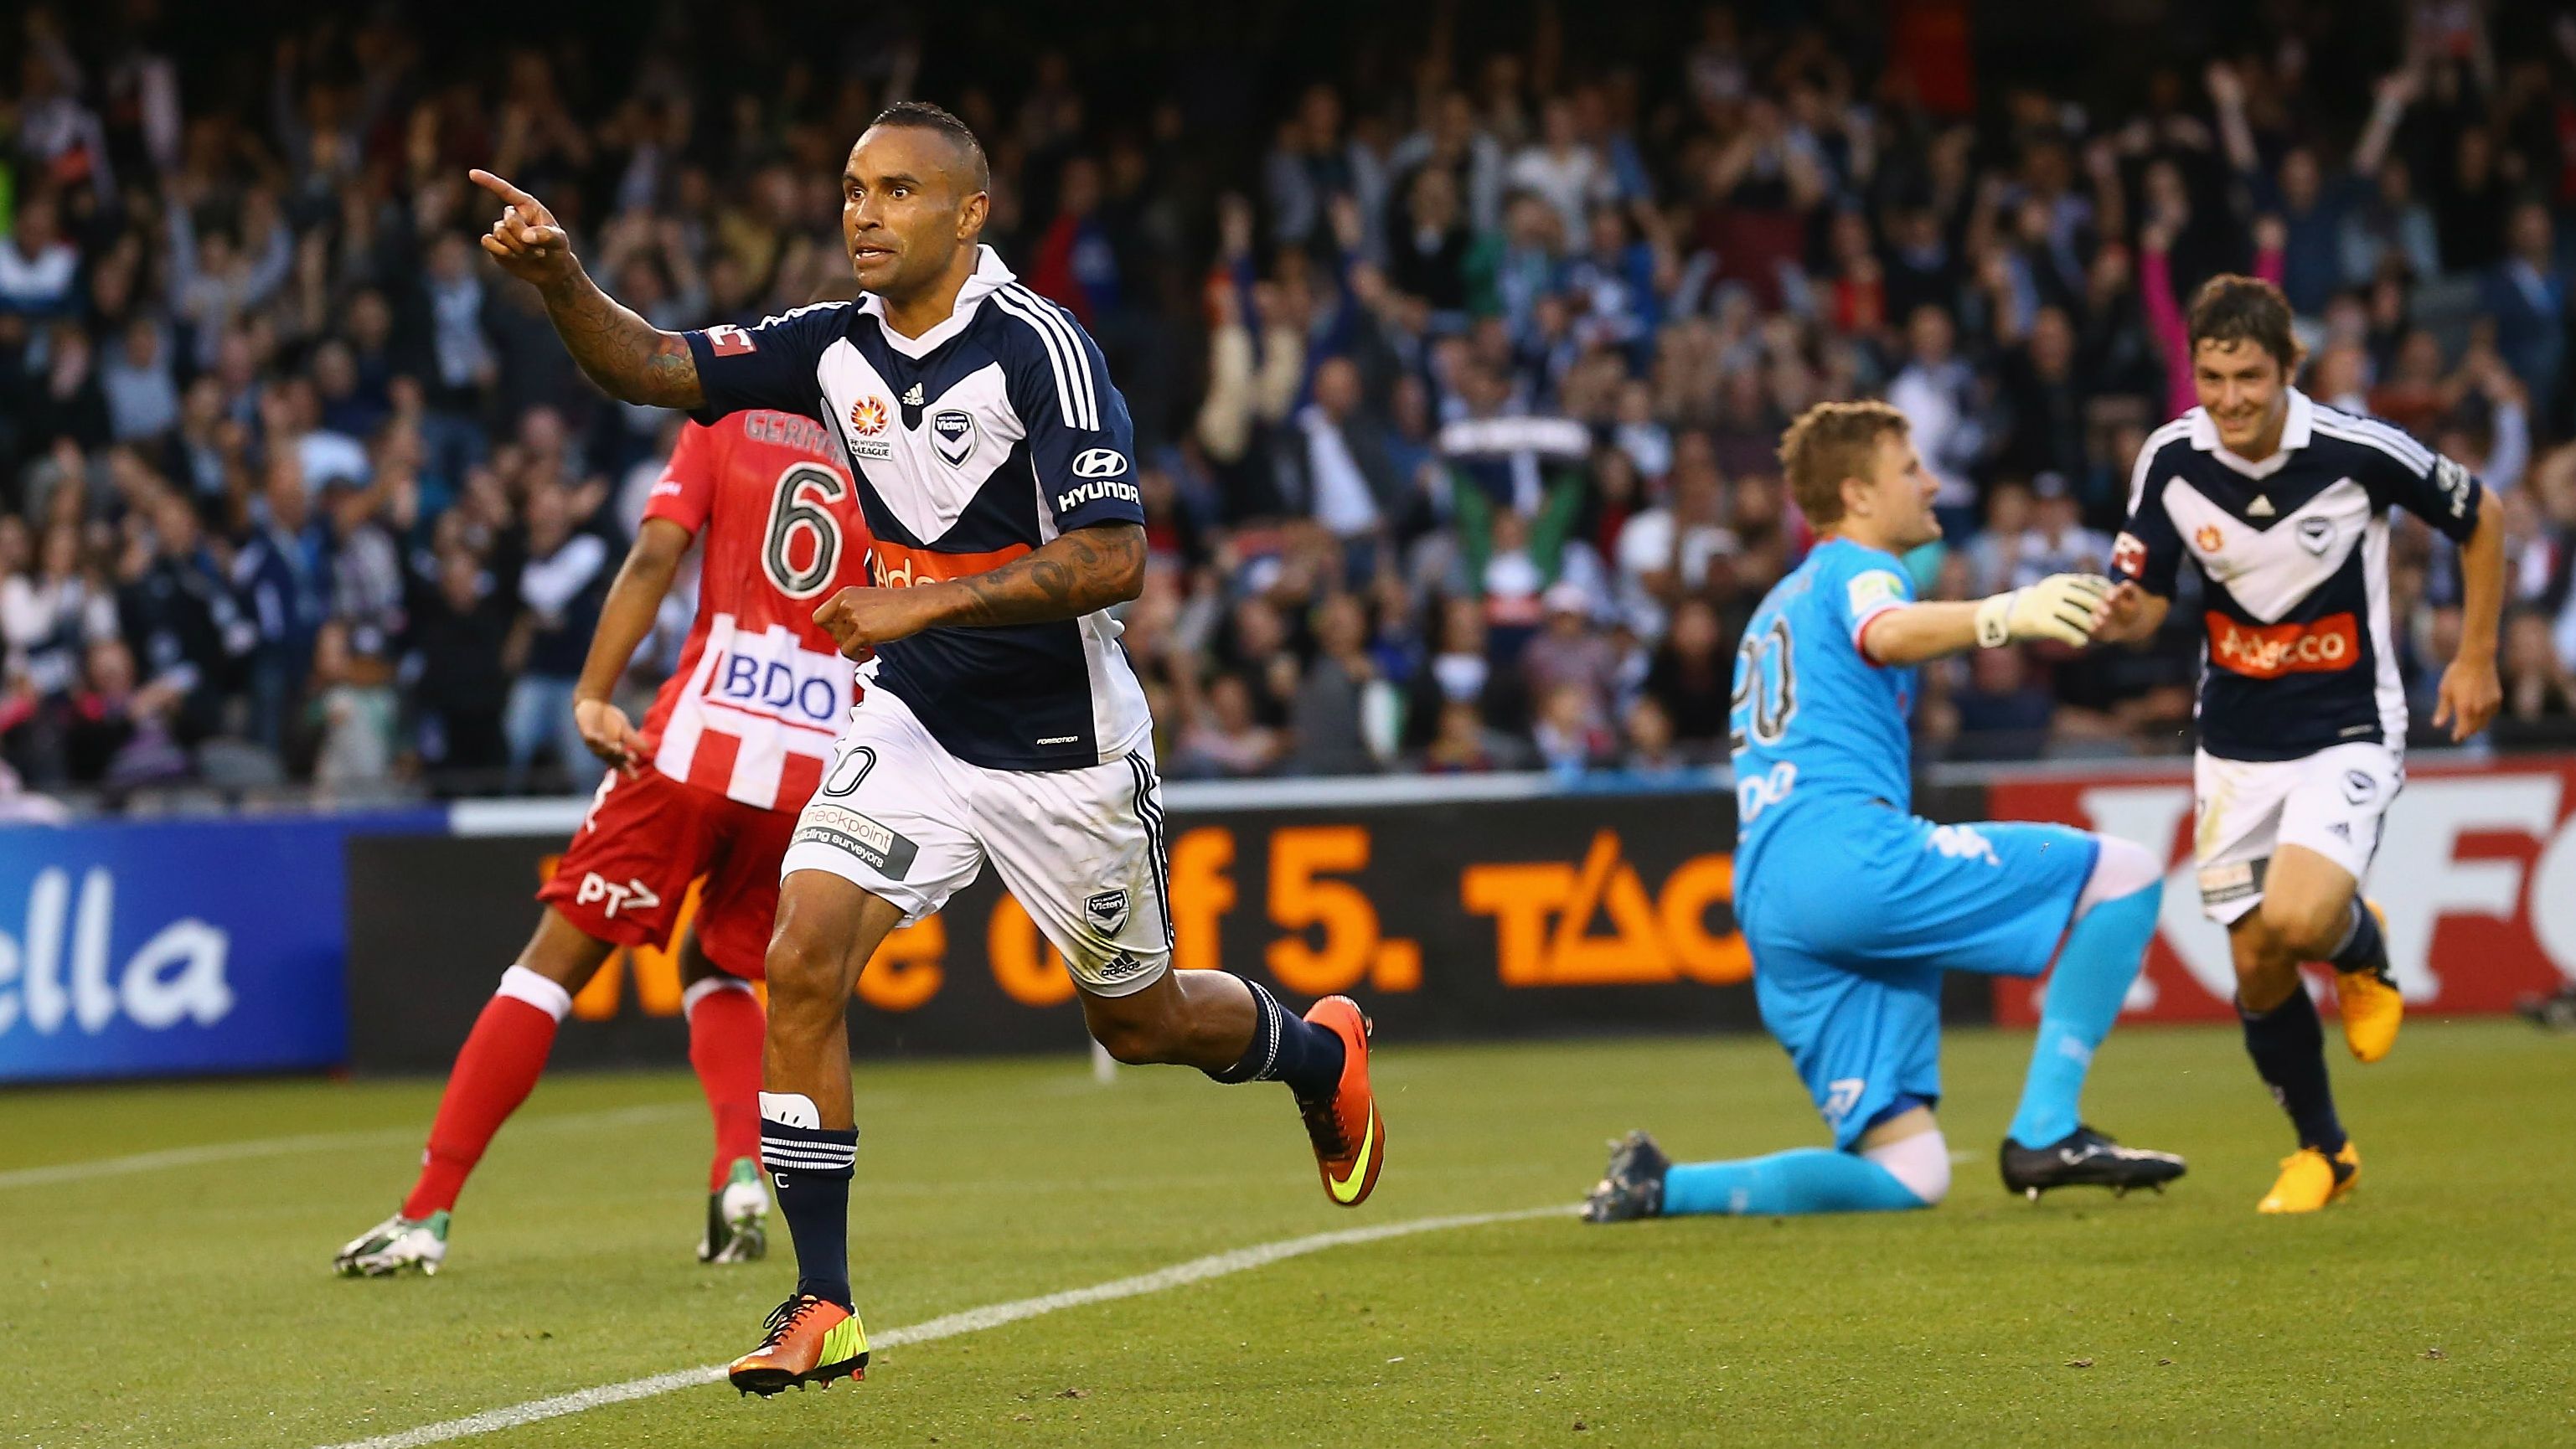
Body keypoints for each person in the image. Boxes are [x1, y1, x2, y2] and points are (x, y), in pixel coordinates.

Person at [462, 100, 1384, 1399]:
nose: (861, 213)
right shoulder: (832, 342)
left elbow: (1114, 555)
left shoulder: (1038, 350)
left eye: (896, 191)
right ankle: (822, 1299)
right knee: (799, 955)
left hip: (1061, 744)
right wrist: (563, 279)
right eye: (851, 187)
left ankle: (1317, 1051)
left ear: (968, 213)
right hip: (910, 719)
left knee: (1139, 1018)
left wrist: (925, 596)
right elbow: (655, 364)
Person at [1583, 400, 2183, 1225]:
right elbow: (1885, 631)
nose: (1933, 481)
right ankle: (2047, 1128)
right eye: (1911, 469)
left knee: (1911, 1168)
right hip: (1848, 856)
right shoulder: (1856, 568)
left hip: (1771, 892)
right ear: (1858, 494)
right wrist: (2006, 613)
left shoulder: (1775, 608)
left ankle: (1660, 1185)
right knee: (2127, 874)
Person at [332, 406, 873, 1276]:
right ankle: (738, 1167)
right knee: (721, 967)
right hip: (814, 766)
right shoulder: (891, 445)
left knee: (545, 971)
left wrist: (593, 690)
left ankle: (425, 1211)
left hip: (696, 741)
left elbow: (656, 552)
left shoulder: (727, 419)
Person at [2096, 275, 2503, 1214]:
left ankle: (2359, 942)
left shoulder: (2355, 449)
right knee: (2256, 962)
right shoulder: (2168, 459)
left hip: (2346, 726)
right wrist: (2122, 614)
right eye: (2212, 376)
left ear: (2291, 369)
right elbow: (2149, 596)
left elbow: (2482, 517)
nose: (2230, 397)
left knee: (2299, 914)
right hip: (2235, 743)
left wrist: (2476, 657)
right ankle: (2324, 1150)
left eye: (2249, 375)